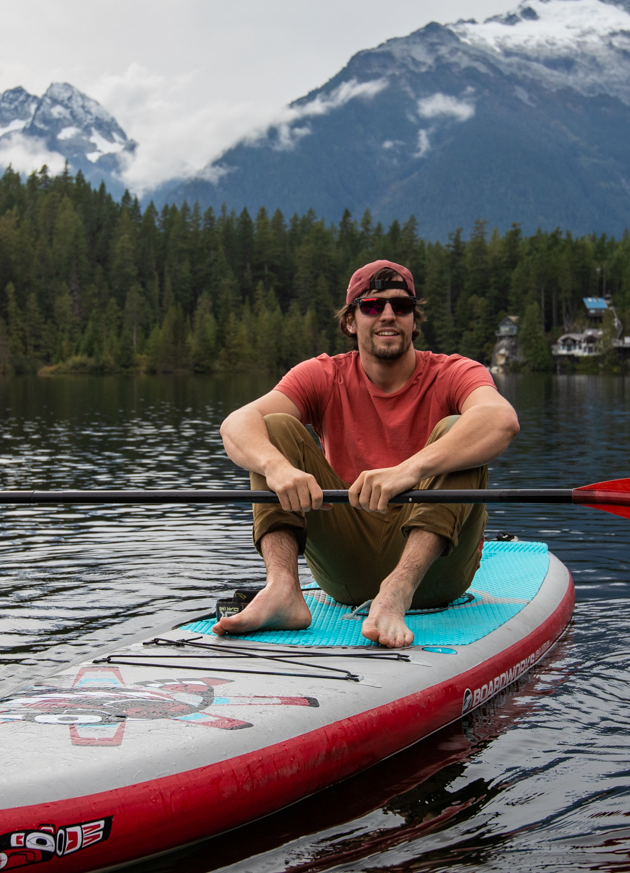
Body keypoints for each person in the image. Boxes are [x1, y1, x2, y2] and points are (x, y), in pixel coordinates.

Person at [215, 258, 521, 648]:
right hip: (347, 567)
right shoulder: (323, 375)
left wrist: (409, 470)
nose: (389, 315)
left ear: (414, 320)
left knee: (459, 430)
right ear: (350, 321)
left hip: (435, 574)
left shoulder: (453, 372)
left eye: (402, 306)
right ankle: (282, 589)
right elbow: (236, 424)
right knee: (271, 430)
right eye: (373, 306)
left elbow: (501, 420)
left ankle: (396, 590)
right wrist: (276, 468)